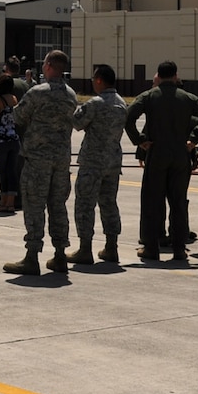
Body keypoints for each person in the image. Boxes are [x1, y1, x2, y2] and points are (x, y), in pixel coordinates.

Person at [123, 61, 198, 262]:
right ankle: (179, 248)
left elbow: (128, 118)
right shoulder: (187, 98)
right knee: (178, 202)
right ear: (175, 76)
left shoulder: (149, 96)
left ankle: (152, 247)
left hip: (157, 152)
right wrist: (194, 140)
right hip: (181, 153)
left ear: (159, 76)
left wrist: (140, 141)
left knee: (153, 201)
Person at [7, 51, 77, 275]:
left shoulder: (37, 92)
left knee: (34, 206)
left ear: (47, 66)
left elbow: (17, 117)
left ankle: (32, 256)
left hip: (38, 159)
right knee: (58, 206)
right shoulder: (71, 95)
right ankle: (59, 255)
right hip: (61, 160)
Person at [69, 64, 126, 265]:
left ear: (100, 80)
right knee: (109, 203)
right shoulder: (121, 103)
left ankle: (85, 249)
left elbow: (76, 123)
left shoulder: (95, 103)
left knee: (85, 204)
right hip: (113, 161)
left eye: (94, 79)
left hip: (93, 161)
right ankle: (112, 247)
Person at [0, 66, 23, 215]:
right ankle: (10, 203)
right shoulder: (13, 99)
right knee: (12, 171)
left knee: (2, 171)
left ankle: (3, 202)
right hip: (13, 138)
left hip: (0, 139)